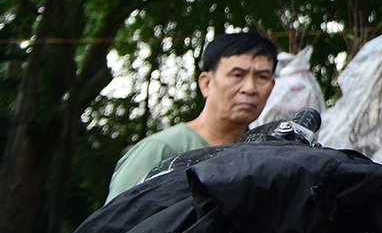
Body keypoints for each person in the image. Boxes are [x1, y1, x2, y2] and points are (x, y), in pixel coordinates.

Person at [106, 31, 278, 201]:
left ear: (272, 86)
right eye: (237, 75)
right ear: (206, 83)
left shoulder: (261, 158)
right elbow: (115, 224)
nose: (249, 88)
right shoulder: (161, 150)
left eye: (261, 77)